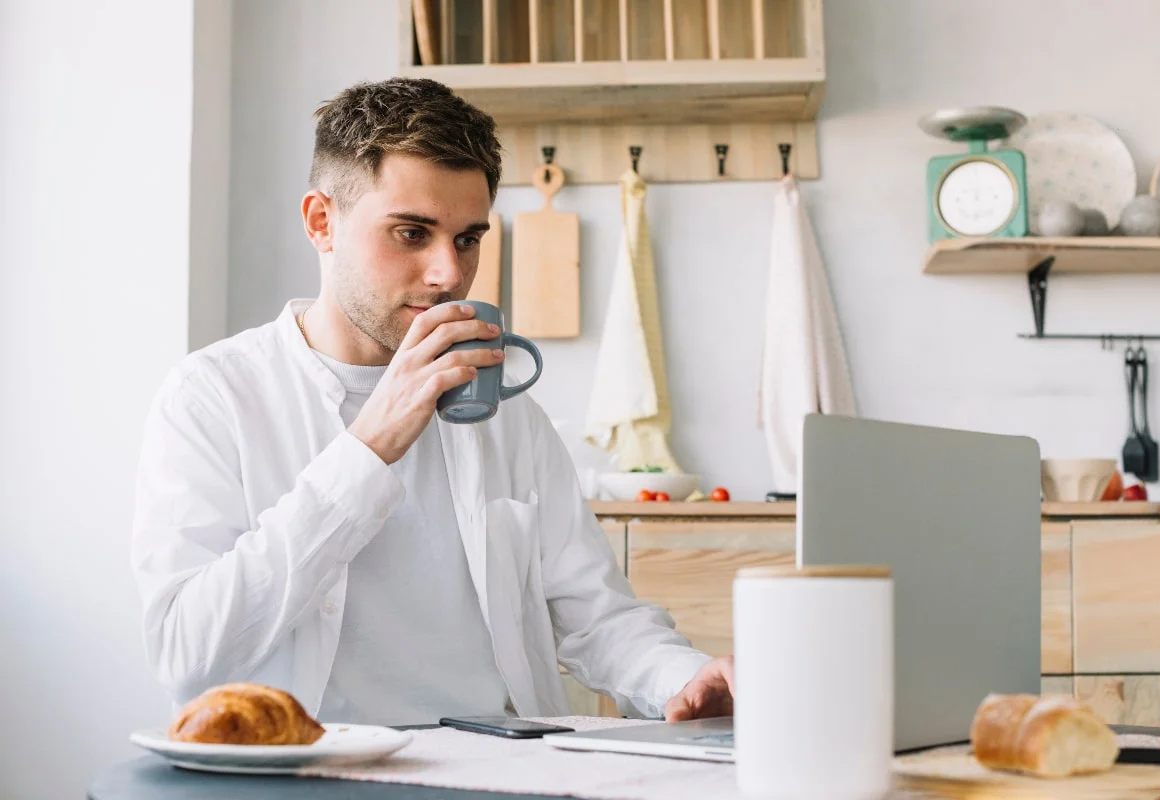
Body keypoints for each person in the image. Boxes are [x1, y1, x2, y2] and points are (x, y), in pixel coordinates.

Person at [130, 77, 734, 726]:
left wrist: (686, 676)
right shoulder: (212, 398)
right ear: (321, 222)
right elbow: (186, 652)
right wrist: (368, 449)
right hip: (305, 777)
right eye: (412, 233)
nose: (449, 272)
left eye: (468, 238)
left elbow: (597, 615)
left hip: (499, 771)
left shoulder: (508, 414)